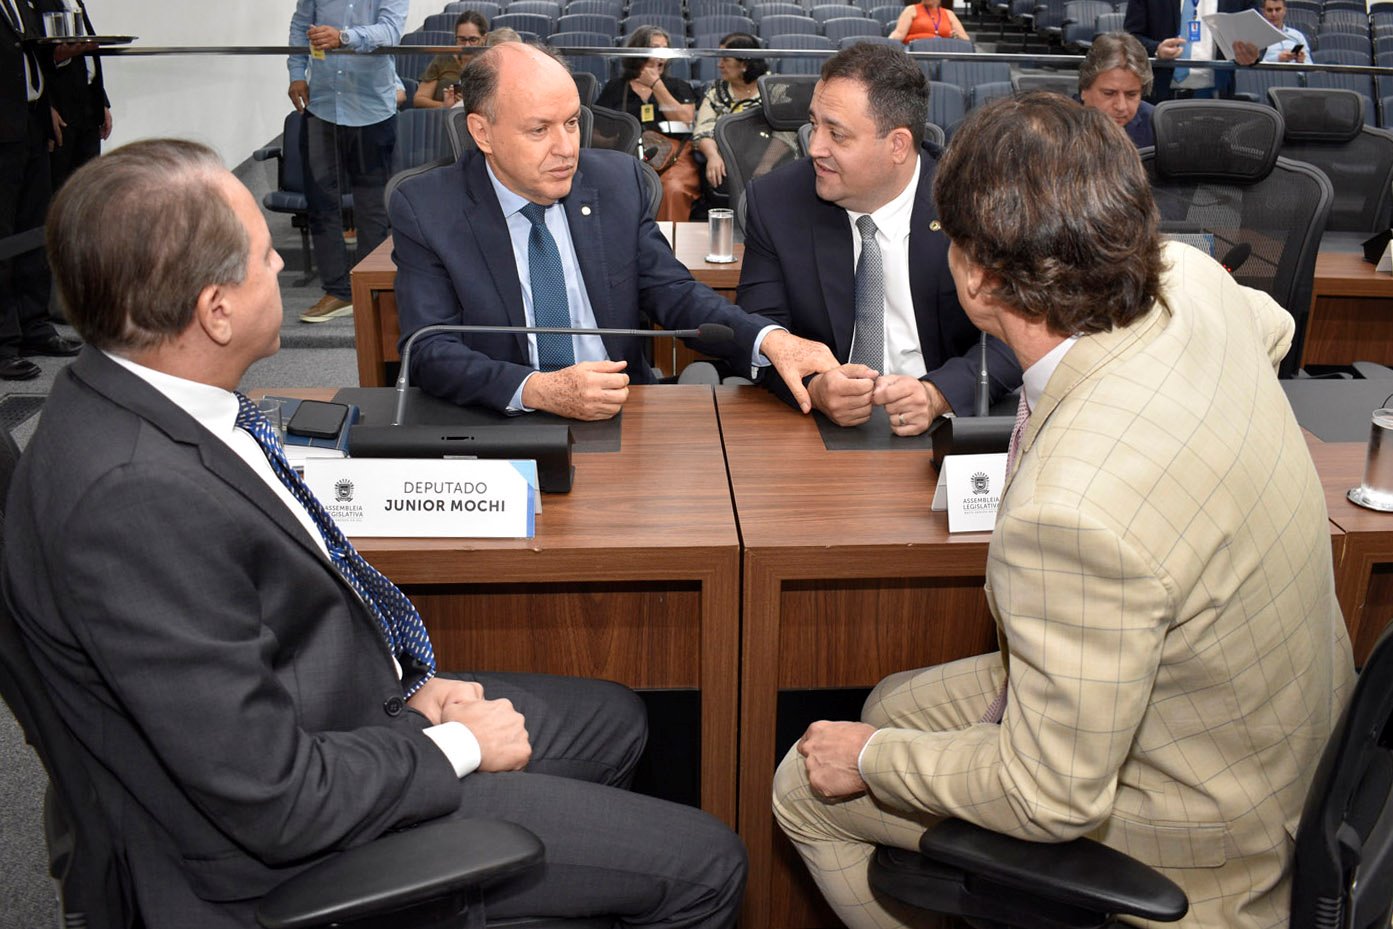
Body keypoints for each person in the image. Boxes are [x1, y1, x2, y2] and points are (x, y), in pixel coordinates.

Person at [7, 137, 749, 929]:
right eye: (264, 257)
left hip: (341, 713)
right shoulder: (133, 497)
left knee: (616, 718)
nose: (280, 268)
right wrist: (452, 743)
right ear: (215, 310)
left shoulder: (141, 402)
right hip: (283, 849)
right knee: (709, 865)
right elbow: (274, 795)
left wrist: (413, 682)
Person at [773, 93, 1355, 929]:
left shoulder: (1071, 514)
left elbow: (1048, 796)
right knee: (894, 705)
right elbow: (1271, 328)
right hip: (1299, 737)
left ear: (976, 276)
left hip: (1216, 834)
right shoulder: (1191, 278)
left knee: (805, 784)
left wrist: (870, 761)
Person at [390, 42, 836, 420]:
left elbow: (674, 293)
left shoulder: (617, 183)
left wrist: (769, 340)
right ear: (482, 133)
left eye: (571, 123)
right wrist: (536, 389)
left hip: (620, 412)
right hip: (498, 417)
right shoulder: (427, 207)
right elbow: (428, 349)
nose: (566, 148)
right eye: (539, 130)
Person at [737, 43, 1020, 436]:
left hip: (949, 426)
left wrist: (938, 393)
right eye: (814, 124)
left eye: (837, 134)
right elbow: (758, 331)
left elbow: (1019, 333)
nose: (814, 147)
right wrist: (814, 387)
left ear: (897, 145)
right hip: (817, 433)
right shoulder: (776, 202)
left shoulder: (975, 201)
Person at [288, 0, 404, 324]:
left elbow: (390, 32)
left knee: (371, 207)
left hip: (372, 110)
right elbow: (300, 26)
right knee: (321, 204)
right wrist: (297, 74)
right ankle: (337, 291)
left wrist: (344, 37)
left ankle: (372, 289)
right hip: (322, 105)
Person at [0, 0, 82, 380]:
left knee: (34, 229)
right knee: (4, 240)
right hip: (4, 131)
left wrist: (46, 109)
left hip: (30, 123)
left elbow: (31, 60)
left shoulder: (22, 4)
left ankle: (34, 326)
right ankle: (4, 342)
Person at [596, 26, 701, 221]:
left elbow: (686, 122)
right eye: (655, 48)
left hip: (675, 157)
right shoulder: (616, 87)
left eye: (665, 49)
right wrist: (614, 142)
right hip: (627, 156)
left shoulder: (678, 86)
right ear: (639, 50)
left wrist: (656, 85)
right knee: (618, 188)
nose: (661, 54)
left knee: (673, 188)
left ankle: (666, 240)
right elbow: (595, 131)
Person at [692, 32, 796, 194]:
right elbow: (703, 130)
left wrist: (765, 165)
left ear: (744, 64)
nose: (719, 65)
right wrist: (713, 156)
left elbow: (787, 132)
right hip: (728, 164)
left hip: (774, 162)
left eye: (725, 59)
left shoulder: (776, 88)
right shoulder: (716, 91)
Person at [39, 0, 111, 191]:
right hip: (61, 109)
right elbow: (35, 60)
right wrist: (47, 105)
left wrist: (101, 101)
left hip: (89, 107)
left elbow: (88, 58)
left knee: (89, 185)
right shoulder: (38, 3)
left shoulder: (75, 2)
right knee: (61, 186)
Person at [1125, 0, 1261, 101]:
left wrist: (1252, 54)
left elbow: (1258, 35)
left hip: (1216, 96)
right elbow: (1131, 37)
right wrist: (1156, 49)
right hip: (1160, 95)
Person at [1078, 33, 1156, 148]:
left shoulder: (1156, 124)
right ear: (1084, 90)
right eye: (1109, 93)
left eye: (1131, 94)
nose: (1121, 107)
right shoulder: (1058, 127)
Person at [414, 11, 489, 109]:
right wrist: (444, 106)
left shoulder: (489, 65)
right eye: (462, 39)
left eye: (473, 40)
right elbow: (419, 99)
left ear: (484, 38)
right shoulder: (442, 60)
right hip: (442, 116)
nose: (467, 45)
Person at [889, 0, 970, 43]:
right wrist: (887, 44)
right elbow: (899, 33)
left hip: (942, 52)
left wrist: (957, 36)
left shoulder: (949, 13)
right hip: (917, 51)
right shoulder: (911, 10)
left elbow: (966, 39)